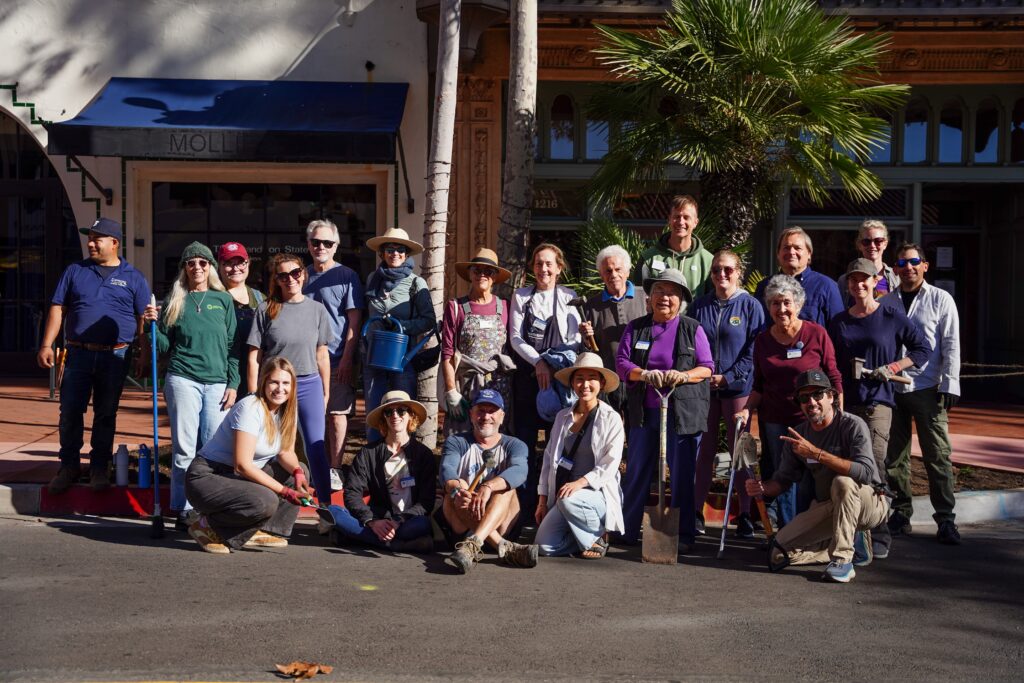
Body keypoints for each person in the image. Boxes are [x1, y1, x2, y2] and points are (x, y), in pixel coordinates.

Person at [37, 218, 151, 494]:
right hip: (78, 353)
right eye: (90, 238)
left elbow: (144, 319)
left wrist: (144, 354)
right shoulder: (75, 270)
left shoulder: (134, 277)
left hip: (116, 356)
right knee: (70, 412)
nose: (91, 243)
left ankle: (100, 468)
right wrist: (46, 344)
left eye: (97, 238)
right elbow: (57, 308)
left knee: (105, 414)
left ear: (115, 243)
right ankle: (69, 467)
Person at [745, 370, 889, 583]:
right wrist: (763, 488)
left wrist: (816, 454)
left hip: (869, 503)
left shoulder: (852, 425)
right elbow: (783, 481)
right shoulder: (798, 435)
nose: (811, 402)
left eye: (818, 395)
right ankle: (846, 550)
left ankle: (842, 560)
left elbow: (866, 473)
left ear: (831, 397)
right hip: (828, 507)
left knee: (843, 482)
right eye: (804, 398)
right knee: (778, 554)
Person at [829, 258, 930, 559]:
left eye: (865, 279)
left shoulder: (891, 315)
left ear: (876, 282)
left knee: (873, 466)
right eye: (853, 279)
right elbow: (830, 361)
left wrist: (895, 366)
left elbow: (922, 348)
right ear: (847, 284)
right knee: (847, 467)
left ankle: (880, 531)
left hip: (878, 403)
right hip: (847, 404)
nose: (859, 284)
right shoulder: (839, 321)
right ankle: (851, 533)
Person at [616, 268, 713, 552]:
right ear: (650, 295)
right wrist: (643, 374)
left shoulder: (691, 328)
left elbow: (706, 368)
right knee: (636, 471)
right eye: (659, 290)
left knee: (682, 473)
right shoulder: (636, 327)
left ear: (681, 298)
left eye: (671, 292)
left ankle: (682, 534)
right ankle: (629, 529)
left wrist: (683, 376)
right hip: (644, 412)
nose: (664, 297)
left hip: (681, 414)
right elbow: (622, 364)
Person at [143, 242, 239, 529]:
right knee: (184, 448)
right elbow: (163, 345)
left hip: (218, 383)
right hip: (183, 379)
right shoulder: (175, 300)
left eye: (202, 262)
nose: (197, 267)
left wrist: (233, 383)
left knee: (213, 450)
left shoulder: (223, 301)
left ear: (211, 267)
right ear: (184, 268)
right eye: (191, 263)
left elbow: (233, 346)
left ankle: (209, 508)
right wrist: (149, 326)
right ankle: (183, 509)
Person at [736, 274, 842, 528]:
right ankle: (786, 533)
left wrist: (838, 415)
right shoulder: (763, 340)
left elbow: (833, 375)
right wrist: (746, 409)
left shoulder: (816, 333)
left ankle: (809, 529)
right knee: (781, 475)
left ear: (798, 304)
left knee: (810, 475)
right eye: (775, 303)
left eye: (786, 302)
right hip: (775, 420)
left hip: (811, 420)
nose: (781, 309)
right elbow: (759, 385)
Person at [184, 356, 315, 554]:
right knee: (265, 501)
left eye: (286, 383)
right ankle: (205, 525)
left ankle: (258, 530)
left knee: (301, 469)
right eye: (274, 382)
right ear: (264, 382)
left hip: (237, 478)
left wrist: (297, 473)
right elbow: (242, 466)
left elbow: (285, 451)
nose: (280, 389)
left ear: (293, 385)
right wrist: (285, 492)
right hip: (208, 477)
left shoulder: (287, 409)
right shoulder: (250, 407)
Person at [882, 244, 962, 545]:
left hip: (929, 387)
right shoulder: (886, 302)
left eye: (914, 262)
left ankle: (945, 519)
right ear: (895, 268)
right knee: (894, 458)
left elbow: (951, 343)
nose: (908, 267)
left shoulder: (941, 299)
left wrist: (950, 383)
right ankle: (901, 512)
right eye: (902, 263)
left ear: (925, 265)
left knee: (938, 456)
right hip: (893, 389)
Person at [247, 253, 334, 505]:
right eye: (283, 275)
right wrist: (254, 393)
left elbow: (322, 354)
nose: (290, 279)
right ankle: (263, 505)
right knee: (268, 448)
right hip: (275, 388)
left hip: (308, 384)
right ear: (277, 279)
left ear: (303, 274)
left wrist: (325, 390)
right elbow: (254, 356)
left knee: (316, 447)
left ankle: (327, 509)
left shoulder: (317, 310)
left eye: (295, 273)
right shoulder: (265, 309)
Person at [691, 249, 764, 538]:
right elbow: (692, 344)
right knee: (703, 452)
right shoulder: (700, 306)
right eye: (717, 270)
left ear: (738, 272)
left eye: (728, 270)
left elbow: (754, 349)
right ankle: (696, 511)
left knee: (741, 454)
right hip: (705, 389)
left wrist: (729, 377)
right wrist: (705, 374)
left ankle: (745, 514)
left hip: (738, 389)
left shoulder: (750, 306)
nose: (722, 275)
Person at [509, 243, 582, 528]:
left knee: (558, 448)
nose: (544, 269)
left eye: (549, 264)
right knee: (525, 446)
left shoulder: (569, 297)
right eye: (539, 264)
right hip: (528, 380)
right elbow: (516, 337)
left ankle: (553, 511)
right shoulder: (521, 296)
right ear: (532, 267)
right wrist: (538, 362)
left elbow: (574, 340)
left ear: (559, 268)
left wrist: (551, 365)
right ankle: (524, 511)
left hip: (560, 381)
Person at [319, 391, 436, 553]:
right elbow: (352, 493)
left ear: (411, 416)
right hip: (378, 518)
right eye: (389, 412)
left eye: (401, 410)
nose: (395, 415)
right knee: (333, 512)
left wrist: (399, 521)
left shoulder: (424, 455)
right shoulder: (368, 453)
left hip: (408, 521)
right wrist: (372, 521)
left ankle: (357, 538)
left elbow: (426, 501)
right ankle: (397, 545)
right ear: (384, 419)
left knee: (422, 524)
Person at [535, 353, 625, 559]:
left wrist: (579, 484)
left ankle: (597, 539)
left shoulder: (611, 418)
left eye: (592, 378)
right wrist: (542, 501)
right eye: (579, 379)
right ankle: (583, 539)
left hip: (596, 494)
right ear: (572, 384)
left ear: (601, 383)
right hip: (564, 494)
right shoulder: (562, 416)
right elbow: (549, 460)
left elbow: (609, 465)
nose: (585, 384)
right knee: (544, 547)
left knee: (569, 500)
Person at [439, 389, 536, 573]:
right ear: (471, 414)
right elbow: (447, 469)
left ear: (502, 416)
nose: (486, 416)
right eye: (481, 410)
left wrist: (489, 486)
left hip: (501, 524)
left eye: (492, 411)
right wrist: (456, 490)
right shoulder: (456, 441)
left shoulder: (515, 444)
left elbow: (520, 471)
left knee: (507, 487)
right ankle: (502, 547)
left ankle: (473, 544)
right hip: (462, 521)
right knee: (460, 486)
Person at [303, 219, 363, 491]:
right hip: (304, 359)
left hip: (338, 357)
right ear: (309, 244)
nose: (321, 247)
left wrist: (348, 359)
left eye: (327, 243)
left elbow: (354, 321)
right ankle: (313, 467)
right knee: (311, 415)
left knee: (337, 414)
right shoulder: (299, 276)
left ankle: (335, 469)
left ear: (336, 246)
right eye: (316, 242)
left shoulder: (347, 276)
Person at [363, 227, 434, 441]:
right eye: (390, 249)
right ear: (382, 253)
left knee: (402, 414)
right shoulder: (372, 280)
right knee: (374, 411)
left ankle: (404, 461)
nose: (395, 253)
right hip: (373, 357)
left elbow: (429, 320)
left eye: (400, 249)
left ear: (407, 254)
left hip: (401, 359)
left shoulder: (415, 283)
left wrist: (401, 326)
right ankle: (375, 460)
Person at [441, 247, 515, 434]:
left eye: (488, 271)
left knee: (495, 436)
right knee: (463, 435)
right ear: (470, 273)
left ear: (495, 276)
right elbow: (448, 352)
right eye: (477, 270)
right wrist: (451, 391)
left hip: (499, 387)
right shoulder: (456, 307)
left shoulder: (505, 306)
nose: (482, 275)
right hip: (466, 385)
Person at [579, 245, 648, 412]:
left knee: (638, 433)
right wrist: (586, 338)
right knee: (608, 432)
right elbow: (589, 349)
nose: (613, 275)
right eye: (608, 271)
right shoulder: (591, 306)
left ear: (627, 271)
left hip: (641, 379)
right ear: (601, 275)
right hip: (609, 381)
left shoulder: (645, 297)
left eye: (618, 269)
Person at [754, 227, 844, 327]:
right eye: (786, 247)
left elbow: (838, 329)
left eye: (797, 248)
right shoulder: (764, 287)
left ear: (809, 254)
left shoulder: (827, 286)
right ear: (778, 254)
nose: (791, 252)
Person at [632, 195, 713, 297]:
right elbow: (639, 297)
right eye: (676, 217)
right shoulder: (648, 258)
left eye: (686, 217)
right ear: (669, 219)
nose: (681, 222)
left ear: (695, 222)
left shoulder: (708, 261)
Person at [216, 242, 264, 397]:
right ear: (219, 266)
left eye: (240, 263)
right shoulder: (212, 299)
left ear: (248, 263)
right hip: (222, 378)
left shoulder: (260, 299)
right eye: (228, 263)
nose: (235, 268)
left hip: (255, 378)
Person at [836, 219, 900, 307]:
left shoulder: (896, 277)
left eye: (878, 241)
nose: (872, 246)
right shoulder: (845, 280)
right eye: (866, 242)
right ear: (859, 245)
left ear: (885, 244)